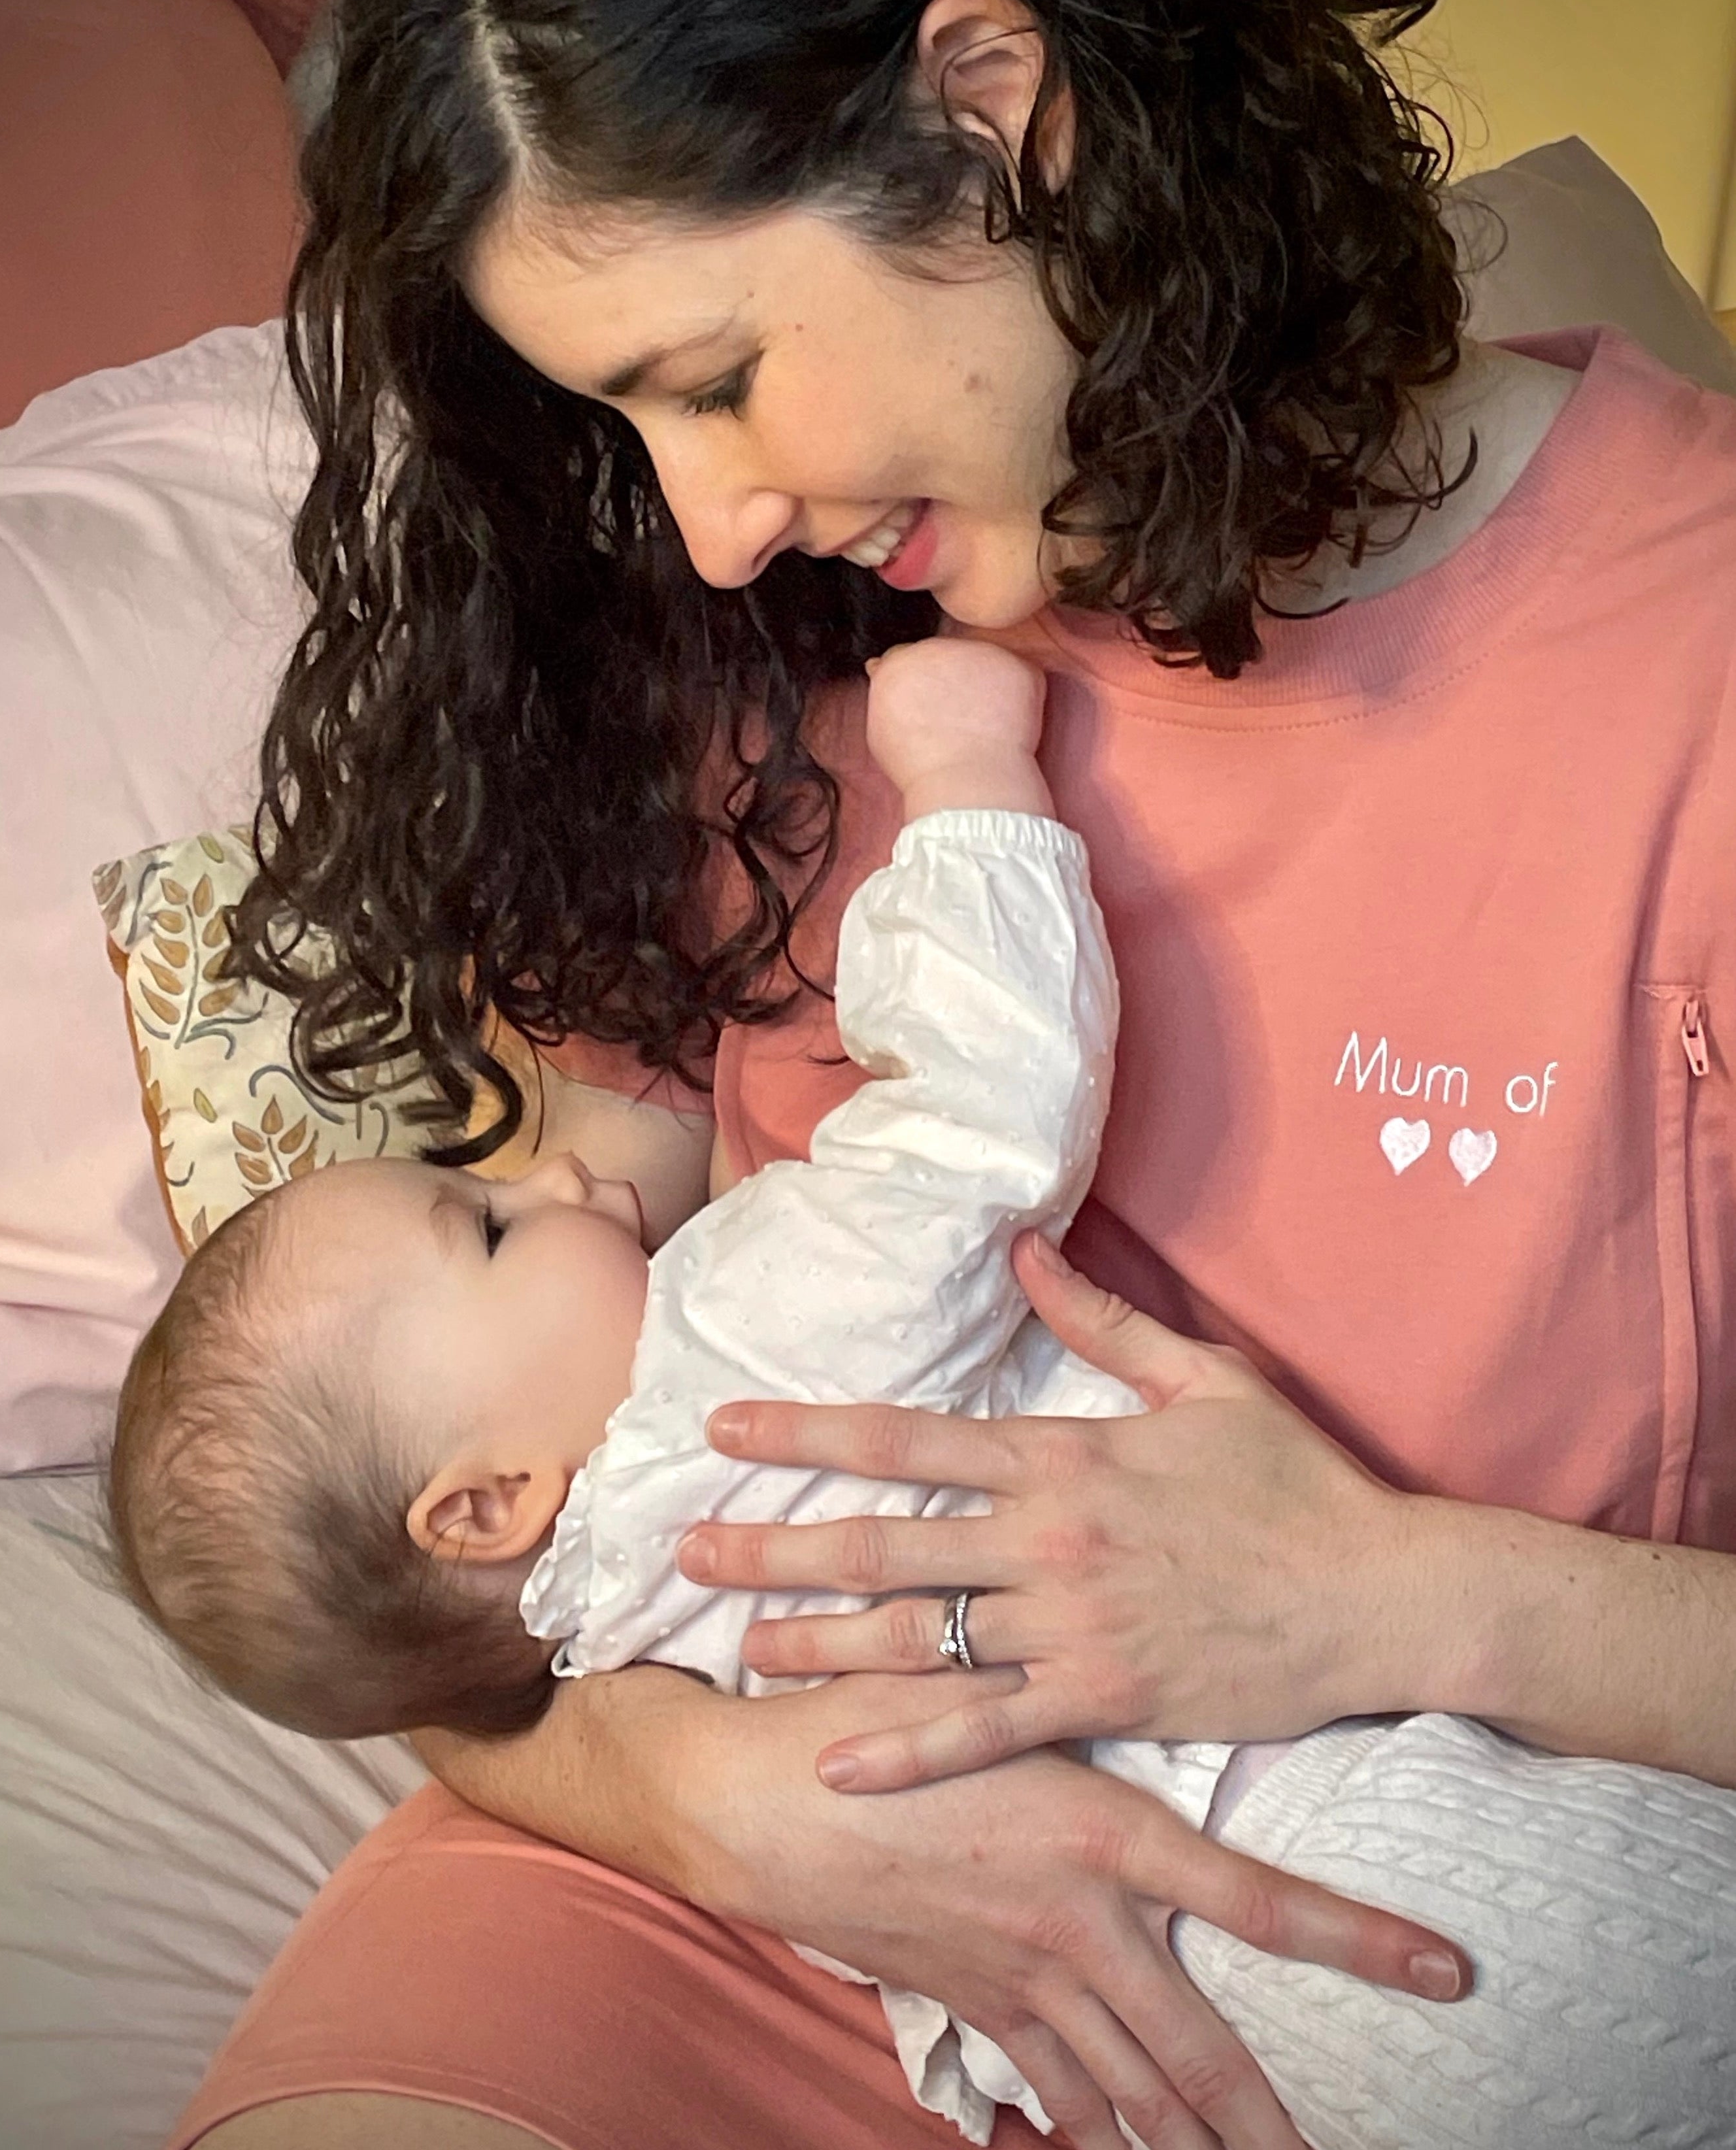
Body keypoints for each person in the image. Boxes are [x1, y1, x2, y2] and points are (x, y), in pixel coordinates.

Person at [170, 0, 1736, 2150]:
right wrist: (722, 1806)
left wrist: (1412, 1595)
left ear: (994, 109)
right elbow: (445, 1546)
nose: (704, 519)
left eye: (714, 378)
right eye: (626, 426)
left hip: (1379, 1911)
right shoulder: (753, 641)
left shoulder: (1692, 666)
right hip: (739, 1884)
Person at [127, 640, 1736, 2147]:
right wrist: (963, 772)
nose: (545, 1171)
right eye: (481, 1224)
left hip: (1154, 2019)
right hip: (1366, 1838)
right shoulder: (731, 1350)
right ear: (481, 1505)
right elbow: (982, 1115)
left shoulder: (586, 1616)